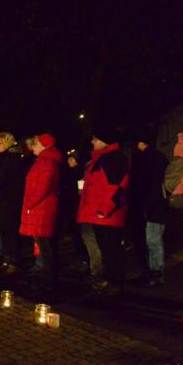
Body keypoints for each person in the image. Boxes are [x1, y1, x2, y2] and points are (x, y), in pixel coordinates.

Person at [77, 127, 130, 297]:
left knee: (112, 249)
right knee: (106, 249)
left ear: (104, 140)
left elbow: (117, 186)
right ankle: (111, 280)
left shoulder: (113, 158)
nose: (92, 142)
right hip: (99, 214)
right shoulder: (102, 158)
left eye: (95, 138)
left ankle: (116, 284)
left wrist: (105, 209)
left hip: (107, 214)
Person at [19, 134, 63, 291]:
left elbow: (42, 186)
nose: (33, 146)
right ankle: (47, 275)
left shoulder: (46, 162)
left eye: (36, 143)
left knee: (45, 245)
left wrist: (30, 203)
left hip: (41, 209)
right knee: (43, 243)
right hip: (41, 207)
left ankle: (49, 279)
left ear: (44, 145)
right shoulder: (43, 161)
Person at [0, 132, 26, 274]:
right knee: (3, 230)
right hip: (0, 200)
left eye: (0, 143)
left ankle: (14, 261)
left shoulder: (11, 159)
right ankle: (6, 259)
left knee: (10, 231)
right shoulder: (1, 158)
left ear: (7, 143)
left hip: (9, 201)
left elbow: (3, 179)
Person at [131, 132, 169, 286]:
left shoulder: (149, 159)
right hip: (154, 206)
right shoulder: (157, 157)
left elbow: (151, 185)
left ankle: (156, 273)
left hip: (152, 206)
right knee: (152, 240)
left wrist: (146, 206)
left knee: (152, 240)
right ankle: (154, 272)